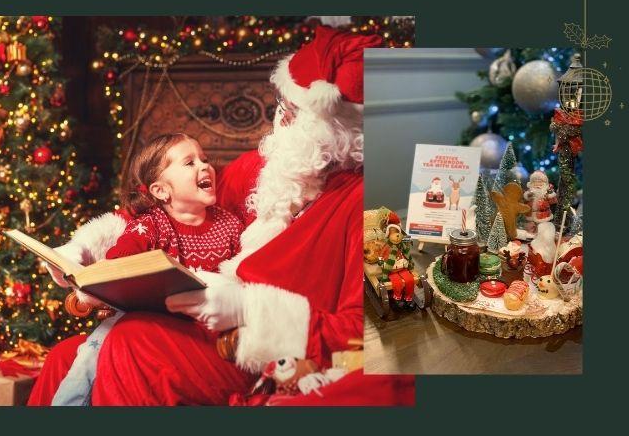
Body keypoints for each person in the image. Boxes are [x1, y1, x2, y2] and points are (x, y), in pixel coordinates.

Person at [28, 25, 414, 406]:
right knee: (64, 358)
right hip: (208, 330)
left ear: (337, 128)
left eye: (292, 111)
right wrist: (84, 248)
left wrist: (249, 309)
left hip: (264, 354)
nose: (279, 118)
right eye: (282, 104)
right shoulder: (270, 168)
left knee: (132, 342)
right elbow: (167, 208)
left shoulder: (376, 208)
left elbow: (379, 335)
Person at [47, 133, 244, 405]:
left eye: (205, 159)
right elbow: (121, 260)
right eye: (190, 163)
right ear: (161, 191)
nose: (204, 166)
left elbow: (240, 275)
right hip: (147, 320)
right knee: (95, 347)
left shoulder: (230, 225)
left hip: (198, 328)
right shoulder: (151, 223)